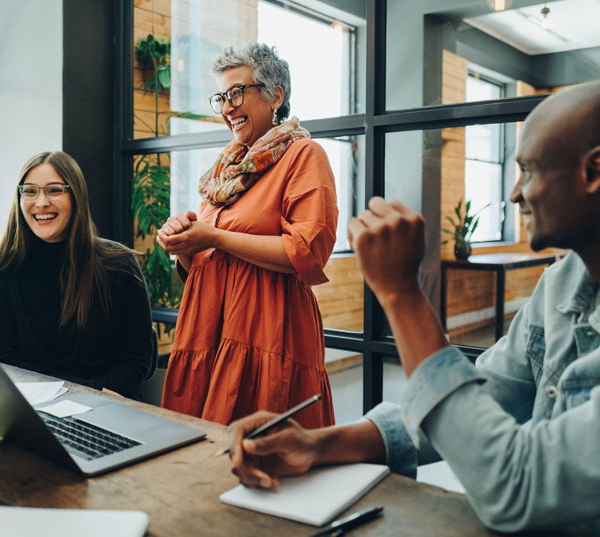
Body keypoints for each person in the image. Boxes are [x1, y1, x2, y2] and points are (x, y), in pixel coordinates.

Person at [226, 82, 600, 533]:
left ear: (594, 172)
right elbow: (479, 402)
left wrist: (401, 294)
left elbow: (516, 485)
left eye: (529, 171)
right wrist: (318, 444)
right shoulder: (560, 283)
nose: (515, 194)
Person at [157, 43, 338, 428]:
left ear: (276, 95)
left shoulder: (304, 155)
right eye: (221, 97)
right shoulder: (225, 170)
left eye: (237, 92)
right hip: (207, 329)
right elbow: (202, 263)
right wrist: (183, 243)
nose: (227, 107)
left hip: (267, 333)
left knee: (265, 456)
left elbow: (305, 252)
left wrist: (215, 237)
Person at [0, 151, 156, 397]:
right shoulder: (5, 267)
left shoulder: (119, 264)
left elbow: (138, 361)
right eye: (30, 190)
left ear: (76, 197)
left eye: (54, 190)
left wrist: (89, 395)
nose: (41, 202)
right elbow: (6, 360)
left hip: (105, 406)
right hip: (32, 408)